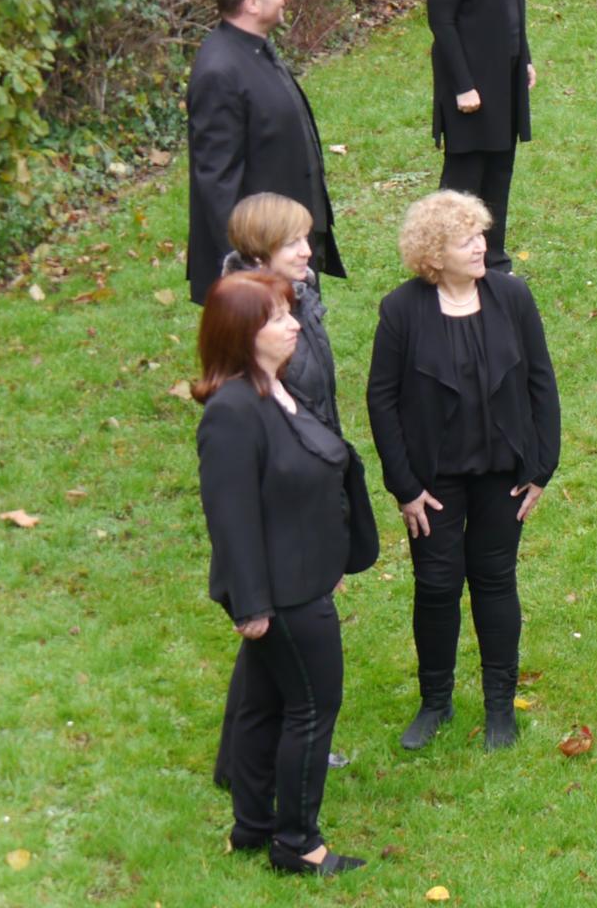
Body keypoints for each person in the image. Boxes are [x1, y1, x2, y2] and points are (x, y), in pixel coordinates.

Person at [365, 190, 560, 752]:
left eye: (480, 234)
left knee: (496, 582)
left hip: (505, 474)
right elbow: (382, 401)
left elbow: (541, 383)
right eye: (466, 240)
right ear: (433, 254)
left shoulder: (512, 297)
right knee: (436, 586)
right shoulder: (401, 310)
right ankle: (436, 703)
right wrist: (405, 487)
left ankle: (501, 707)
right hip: (434, 483)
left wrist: (542, 467)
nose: (481, 246)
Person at [194, 270, 364, 875]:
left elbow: (308, 481)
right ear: (242, 333)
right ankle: (297, 844)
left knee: (264, 707)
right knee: (313, 710)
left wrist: (333, 557)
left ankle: (252, 827)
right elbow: (231, 517)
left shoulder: (281, 387)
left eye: (291, 312)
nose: (295, 324)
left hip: (304, 576)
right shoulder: (233, 412)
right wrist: (253, 607)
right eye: (277, 317)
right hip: (283, 596)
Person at [212, 194, 358, 787]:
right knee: (284, 641)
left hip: (313, 475)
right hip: (287, 504)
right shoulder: (252, 318)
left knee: (269, 651)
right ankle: (278, 768)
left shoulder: (300, 295)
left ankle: (239, 769)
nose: (307, 250)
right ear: (259, 251)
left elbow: (319, 401)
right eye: (294, 242)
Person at [186, 0, 345, 304]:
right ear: (252, 3)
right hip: (263, 261)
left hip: (285, 245)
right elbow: (217, 182)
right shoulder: (220, 71)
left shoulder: (253, 49)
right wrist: (249, 268)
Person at [427, 0, 536, 274]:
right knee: (464, 179)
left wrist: (523, 57)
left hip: (504, 73)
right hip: (470, 83)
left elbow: (514, 1)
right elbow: (442, 21)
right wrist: (462, 85)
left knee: (499, 171)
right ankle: (439, 261)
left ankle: (493, 262)